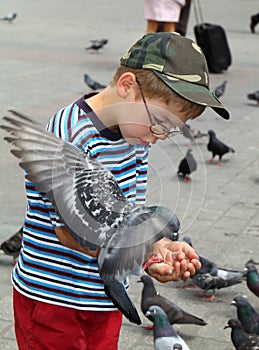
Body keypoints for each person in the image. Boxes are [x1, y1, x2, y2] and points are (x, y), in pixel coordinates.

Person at [12, 32, 230, 350]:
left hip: (106, 300)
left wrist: (159, 246)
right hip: (56, 301)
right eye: (158, 122)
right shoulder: (70, 135)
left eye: (169, 129)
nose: (159, 136)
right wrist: (142, 249)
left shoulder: (136, 135)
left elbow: (129, 216)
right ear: (127, 86)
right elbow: (73, 235)